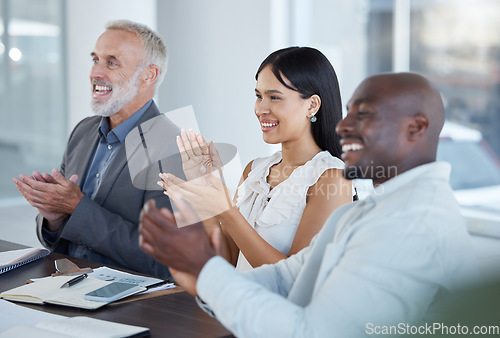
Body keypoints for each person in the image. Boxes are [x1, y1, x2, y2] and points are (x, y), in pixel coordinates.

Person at [139, 72, 478, 337]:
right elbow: (288, 278)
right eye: (347, 114)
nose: (343, 126)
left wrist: (209, 271)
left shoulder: (412, 223)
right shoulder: (368, 210)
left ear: (416, 127)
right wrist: (202, 271)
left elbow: (315, 332)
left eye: (364, 115)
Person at [158, 47, 353, 271]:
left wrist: (227, 212)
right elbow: (227, 261)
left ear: (312, 105)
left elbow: (296, 279)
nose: (261, 109)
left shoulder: (332, 178)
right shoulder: (255, 171)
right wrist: (206, 193)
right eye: (259, 96)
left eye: (274, 97)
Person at [12, 20, 176, 280]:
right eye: (95, 59)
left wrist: (77, 208)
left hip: (136, 307)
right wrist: (54, 217)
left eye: (111, 62)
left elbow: (167, 261)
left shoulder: (175, 147)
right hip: (69, 290)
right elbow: (61, 243)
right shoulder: (83, 132)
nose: (95, 72)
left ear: (149, 75)